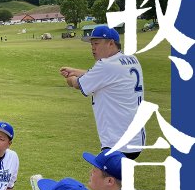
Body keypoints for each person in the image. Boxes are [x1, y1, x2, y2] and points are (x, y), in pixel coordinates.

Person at [59, 25, 145, 158]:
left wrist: (70, 78)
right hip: (136, 139)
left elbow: (77, 84)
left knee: (101, 177)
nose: (93, 48)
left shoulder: (105, 65)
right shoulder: (131, 59)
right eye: (91, 44)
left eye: (97, 43)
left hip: (117, 142)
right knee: (114, 178)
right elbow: (103, 77)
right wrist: (75, 71)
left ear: (111, 43)